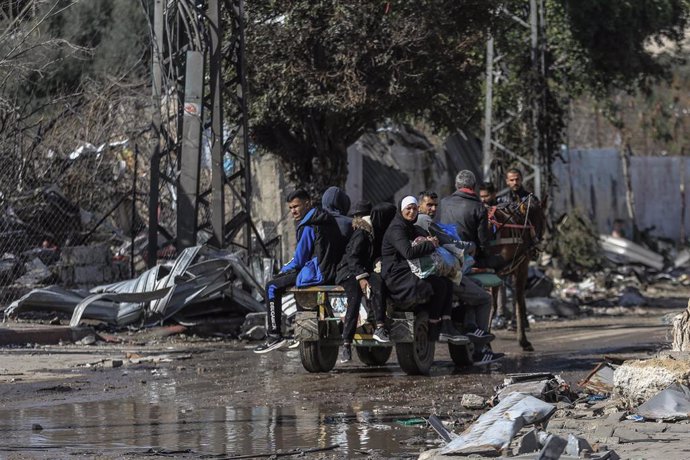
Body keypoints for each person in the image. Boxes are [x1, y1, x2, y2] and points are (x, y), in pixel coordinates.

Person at [254, 189, 346, 353]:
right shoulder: (325, 219)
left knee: (272, 286)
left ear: (308, 203)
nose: (293, 211)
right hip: (331, 271)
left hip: (318, 273)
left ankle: (274, 336)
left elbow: (299, 260)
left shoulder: (309, 224)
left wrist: (282, 270)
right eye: (290, 208)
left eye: (296, 206)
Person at [381, 196, 466, 343]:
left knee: (446, 282)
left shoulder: (410, 227)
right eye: (408, 208)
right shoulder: (397, 229)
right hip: (396, 276)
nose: (412, 212)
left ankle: (445, 324)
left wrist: (430, 240)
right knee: (438, 285)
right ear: (401, 210)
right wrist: (430, 245)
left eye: (414, 208)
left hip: (408, 271)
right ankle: (434, 328)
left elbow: (425, 237)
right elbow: (408, 252)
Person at [336, 201, 397, 363]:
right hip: (348, 272)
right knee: (354, 296)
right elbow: (352, 258)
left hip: (361, 270)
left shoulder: (374, 231)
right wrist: (361, 278)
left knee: (377, 285)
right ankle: (347, 344)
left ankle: (379, 327)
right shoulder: (362, 232)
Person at [437, 170, 503, 270]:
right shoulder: (479, 207)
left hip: (442, 252)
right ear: (474, 186)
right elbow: (483, 241)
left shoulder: (442, 202)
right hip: (466, 255)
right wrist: (486, 254)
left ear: (456, 185)